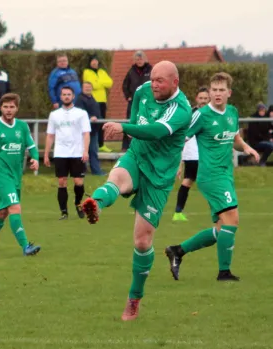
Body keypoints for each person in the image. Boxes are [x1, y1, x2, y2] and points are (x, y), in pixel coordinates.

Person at [81, 61, 192, 321]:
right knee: (116, 178)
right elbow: (137, 122)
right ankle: (95, 203)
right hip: (137, 156)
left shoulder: (182, 110)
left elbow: (154, 132)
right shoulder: (143, 91)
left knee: (142, 242)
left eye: (160, 81)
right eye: (152, 79)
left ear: (174, 83)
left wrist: (123, 128)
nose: (153, 84)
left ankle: (134, 299)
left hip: (160, 176)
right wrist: (128, 135)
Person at [164, 73, 260, 282]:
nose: (216, 94)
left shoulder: (232, 112)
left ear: (228, 93)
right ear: (209, 92)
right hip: (211, 176)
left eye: (221, 90)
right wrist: (175, 164)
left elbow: (233, 138)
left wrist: (246, 148)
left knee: (221, 228)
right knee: (233, 221)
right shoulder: (202, 115)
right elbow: (182, 138)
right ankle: (223, 273)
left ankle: (177, 251)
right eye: (213, 90)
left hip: (226, 175)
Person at [0, 93, 41, 256]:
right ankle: (26, 246)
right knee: (15, 207)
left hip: (16, 176)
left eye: (12, 107)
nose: (9, 110)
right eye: (5, 107)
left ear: (17, 108)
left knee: (2, 213)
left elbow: (31, 146)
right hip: (0, 176)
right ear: (1, 107)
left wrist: (36, 159)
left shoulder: (22, 127)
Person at [44, 86, 91, 220]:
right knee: (62, 181)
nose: (66, 97)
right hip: (60, 152)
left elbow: (86, 133)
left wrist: (85, 150)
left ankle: (78, 203)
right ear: (60, 96)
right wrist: (47, 153)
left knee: (78, 182)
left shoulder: (81, 113)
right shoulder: (54, 115)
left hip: (77, 152)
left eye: (69, 94)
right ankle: (64, 212)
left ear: (73, 96)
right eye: (64, 94)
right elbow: (50, 135)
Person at [173, 87, 210, 221]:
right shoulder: (191, 115)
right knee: (190, 181)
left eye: (206, 98)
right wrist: (179, 162)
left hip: (206, 154)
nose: (203, 101)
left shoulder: (211, 114)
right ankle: (178, 212)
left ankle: (178, 212)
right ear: (196, 99)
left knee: (201, 181)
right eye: (201, 98)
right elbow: (182, 137)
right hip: (193, 154)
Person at [122, 51, 153, 151]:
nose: (139, 61)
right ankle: (126, 145)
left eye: (141, 59)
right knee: (130, 121)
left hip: (147, 101)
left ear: (145, 59)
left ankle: (146, 143)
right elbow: (125, 85)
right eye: (137, 59)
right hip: (133, 102)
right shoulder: (131, 71)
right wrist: (128, 96)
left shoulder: (151, 70)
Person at [82, 54, 113, 153]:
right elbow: (91, 85)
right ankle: (91, 144)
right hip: (92, 101)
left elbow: (110, 83)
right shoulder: (87, 72)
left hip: (102, 101)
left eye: (96, 61)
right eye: (93, 61)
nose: (94, 62)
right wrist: (101, 83)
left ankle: (101, 144)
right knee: (91, 123)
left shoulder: (102, 71)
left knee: (101, 123)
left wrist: (98, 82)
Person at [75, 81, 106, 175]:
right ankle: (82, 170)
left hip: (93, 130)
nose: (88, 89)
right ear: (82, 88)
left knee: (93, 151)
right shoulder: (80, 99)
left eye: (89, 87)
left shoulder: (92, 98)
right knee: (85, 151)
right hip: (84, 131)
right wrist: (89, 117)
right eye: (86, 87)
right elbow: (80, 113)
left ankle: (95, 170)